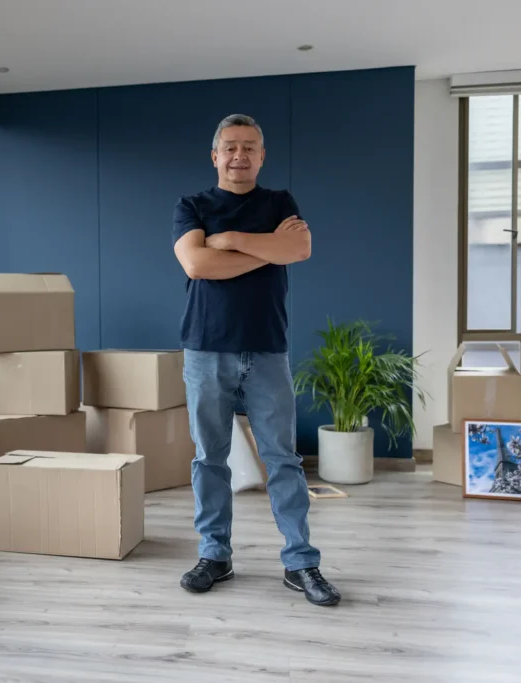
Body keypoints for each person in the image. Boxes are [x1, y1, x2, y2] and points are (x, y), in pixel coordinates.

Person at [171, 114, 341, 607]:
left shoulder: (279, 203)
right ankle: (214, 556)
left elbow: (300, 248)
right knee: (209, 458)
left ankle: (301, 562)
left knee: (283, 460)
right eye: (230, 147)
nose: (239, 155)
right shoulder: (192, 205)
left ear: (262, 156)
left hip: (267, 348)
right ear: (215, 155)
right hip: (206, 348)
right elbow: (196, 263)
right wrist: (271, 249)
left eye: (249, 147)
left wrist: (228, 240)